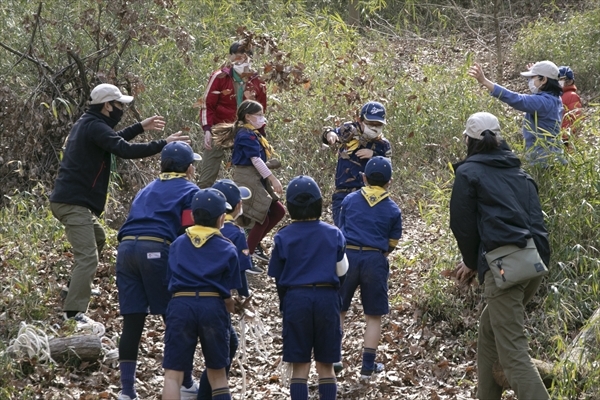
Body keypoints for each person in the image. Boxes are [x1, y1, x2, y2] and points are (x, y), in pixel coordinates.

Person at [49, 83, 189, 324]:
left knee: (99, 238)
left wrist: (141, 127)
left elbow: (114, 141)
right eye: (119, 105)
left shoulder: (90, 124)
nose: (121, 109)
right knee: (89, 257)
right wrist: (162, 144)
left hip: (72, 201)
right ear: (107, 106)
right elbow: (122, 149)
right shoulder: (93, 126)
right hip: (72, 203)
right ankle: (73, 313)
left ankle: (73, 289)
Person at [450, 112, 551, 400]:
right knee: (489, 330)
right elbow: (535, 223)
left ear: (468, 141)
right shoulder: (520, 172)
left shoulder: (468, 174)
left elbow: (463, 225)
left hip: (504, 269)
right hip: (534, 262)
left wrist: (471, 262)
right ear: (499, 138)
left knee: (513, 355)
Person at [115, 141, 201, 400]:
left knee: (132, 321)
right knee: (173, 316)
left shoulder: (145, 189)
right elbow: (187, 231)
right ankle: (185, 382)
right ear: (188, 168)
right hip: (156, 249)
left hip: (126, 249)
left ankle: (127, 392)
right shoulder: (190, 190)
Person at [268, 175, 348, 400]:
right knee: (326, 365)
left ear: (290, 206)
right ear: (319, 203)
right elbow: (342, 272)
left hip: (296, 300)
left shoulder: (282, 237)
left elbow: (278, 277)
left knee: (300, 366)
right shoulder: (334, 234)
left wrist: (286, 303)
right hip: (326, 298)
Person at [162, 188, 241, 400]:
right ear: (222, 218)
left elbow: (170, 279)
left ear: (192, 215)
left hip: (180, 306)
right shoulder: (228, 247)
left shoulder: (177, 243)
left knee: (172, 375)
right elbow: (229, 291)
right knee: (218, 376)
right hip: (212, 308)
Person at [338, 156, 402, 379]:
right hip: (375, 260)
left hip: (348, 256)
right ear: (389, 182)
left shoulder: (349, 200)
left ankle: (334, 358)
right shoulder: (393, 209)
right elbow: (392, 243)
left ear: (363, 178)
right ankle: (367, 367)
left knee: (340, 308)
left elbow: (341, 229)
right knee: (373, 315)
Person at [195, 179, 252, 400]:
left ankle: (205, 392)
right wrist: (243, 299)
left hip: (190, 299)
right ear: (234, 206)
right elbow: (239, 273)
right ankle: (211, 393)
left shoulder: (189, 235)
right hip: (218, 300)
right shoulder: (235, 234)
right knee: (225, 350)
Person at [212, 99, 285, 270]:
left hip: (257, 177)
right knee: (261, 217)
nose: (262, 118)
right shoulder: (246, 135)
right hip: (248, 178)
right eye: (259, 115)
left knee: (278, 211)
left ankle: (253, 244)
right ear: (248, 116)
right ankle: (246, 256)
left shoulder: (254, 132)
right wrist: (273, 179)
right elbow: (255, 160)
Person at [198, 40, 267, 189]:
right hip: (220, 128)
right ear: (231, 57)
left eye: (245, 56)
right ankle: (200, 205)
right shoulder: (220, 77)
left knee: (253, 174)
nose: (241, 61)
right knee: (207, 176)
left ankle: (247, 206)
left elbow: (260, 110)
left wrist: (260, 135)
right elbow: (207, 104)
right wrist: (207, 129)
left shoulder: (258, 81)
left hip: (246, 130)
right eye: (238, 57)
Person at [468, 61, 564, 165]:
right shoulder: (555, 99)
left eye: (533, 78)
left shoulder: (544, 102)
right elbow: (537, 96)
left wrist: (485, 81)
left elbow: (517, 99)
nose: (530, 81)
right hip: (552, 157)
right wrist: (535, 73)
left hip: (543, 160)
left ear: (544, 79)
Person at [322, 101, 392, 227]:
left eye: (378, 124)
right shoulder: (349, 131)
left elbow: (388, 168)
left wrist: (374, 155)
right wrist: (329, 134)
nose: (374, 127)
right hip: (343, 191)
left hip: (370, 194)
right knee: (342, 229)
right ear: (360, 120)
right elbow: (331, 132)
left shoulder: (383, 144)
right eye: (371, 123)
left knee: (364, 230)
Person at [558, 66, 583, 145]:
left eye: (560, 79)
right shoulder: (560, 95)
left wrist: (565, 138)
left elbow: (575, 120)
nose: (558, 81)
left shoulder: (572, 96)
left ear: (569, 81)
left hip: (565, 140)